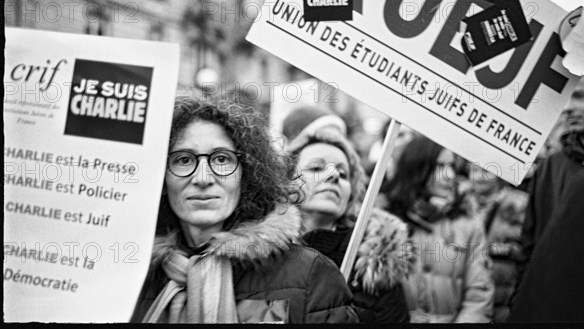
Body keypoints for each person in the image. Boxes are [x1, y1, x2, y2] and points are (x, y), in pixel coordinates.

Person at [130, 93, 358, 323]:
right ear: (161, 178)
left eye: (221, 159)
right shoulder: (129, 278)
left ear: (246, 174)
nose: (203, 178)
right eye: (184, 160)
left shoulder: (310, 276)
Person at [287, 128, 412, 323]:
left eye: (343, 173)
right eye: (316, 168)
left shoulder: (376, 265)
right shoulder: (263, 257)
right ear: (286, 184)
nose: (334, 175)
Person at [509, 77, 584, 322]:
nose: (567, 107)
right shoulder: (549, 167)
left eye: (580, 96)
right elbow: (529, 246)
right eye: (566, 99)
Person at [386, 136, 494, 323]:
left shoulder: (469, 224)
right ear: (418, 168)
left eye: (451, 166)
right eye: (440, 167)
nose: (450, 176)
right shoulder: (385, 221)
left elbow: (479, 295)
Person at [463, 164, 528, 322]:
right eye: (474, 170)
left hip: (503, 300)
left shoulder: (519, 204)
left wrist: (490, 249)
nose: (478, 177)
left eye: (485, 171)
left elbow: (524, 251)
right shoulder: (463, 204)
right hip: (469, 297)